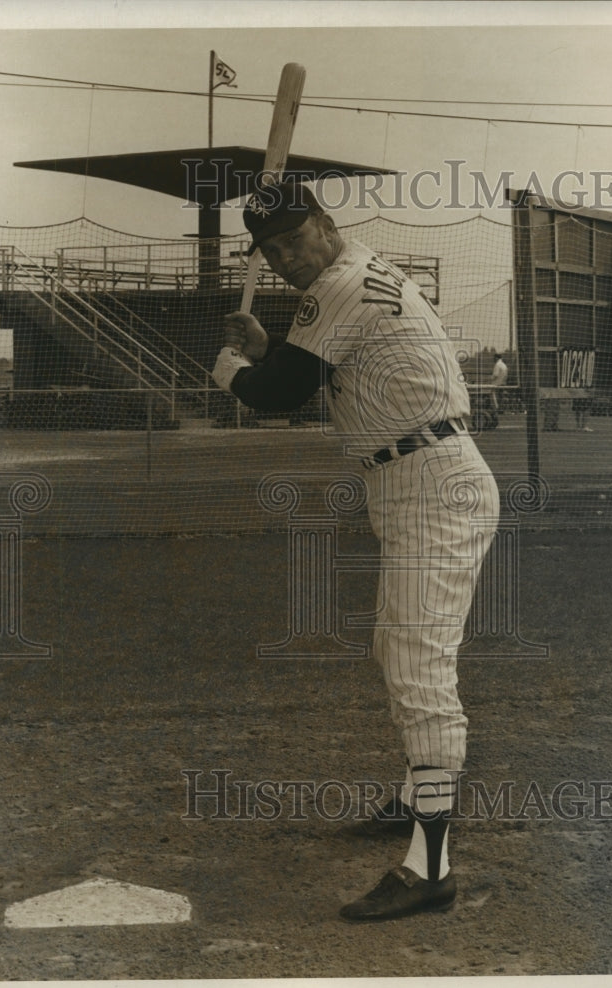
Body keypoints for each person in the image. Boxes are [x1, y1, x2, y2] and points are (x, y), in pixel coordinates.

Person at [212, 181, 500, 922]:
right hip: (418, 474)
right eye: (270, 249)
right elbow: (331, 365)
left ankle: (431, 868)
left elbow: (278, 395)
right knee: (397, 647)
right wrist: (268, 351)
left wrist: (231, 369)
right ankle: (414, 798)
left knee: (417, 665)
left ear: (325, 223)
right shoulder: (359, 271)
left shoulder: (338, 285)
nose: (284, 258)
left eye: (294, 238)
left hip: (431, 481)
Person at [489, 352, 508, 417]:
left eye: (494, 358)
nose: (493, 359)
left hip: (496, 384)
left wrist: (490, 378)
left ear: (496, 358)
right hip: (503, 383)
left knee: (494, 396)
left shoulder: (497, 365)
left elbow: (495, 375)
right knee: (501, 397)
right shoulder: (504, 365)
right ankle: (501, 410)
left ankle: (496, 409)